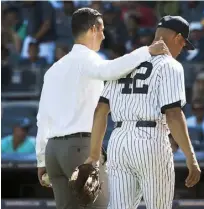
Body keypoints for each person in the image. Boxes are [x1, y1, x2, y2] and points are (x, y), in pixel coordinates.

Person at [35, 8, 169, 209]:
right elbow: (112, 69)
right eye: (102, 29)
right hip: (79, 149)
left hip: (54, 152)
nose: (104, 35)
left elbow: (42, 118)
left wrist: (41, 159)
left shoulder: (54, 69)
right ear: (93, 29)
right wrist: (147, 51)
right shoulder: (86, 59)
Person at [85, 15, 201, 209]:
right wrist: (191, 157)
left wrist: (94, 156)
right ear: (178, 38)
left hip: (118, 141)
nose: (181, 50)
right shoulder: (170, 65)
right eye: (183, 45)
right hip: (151, 139)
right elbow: (173, 114)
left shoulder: (126, 62)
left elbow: (100, 111)